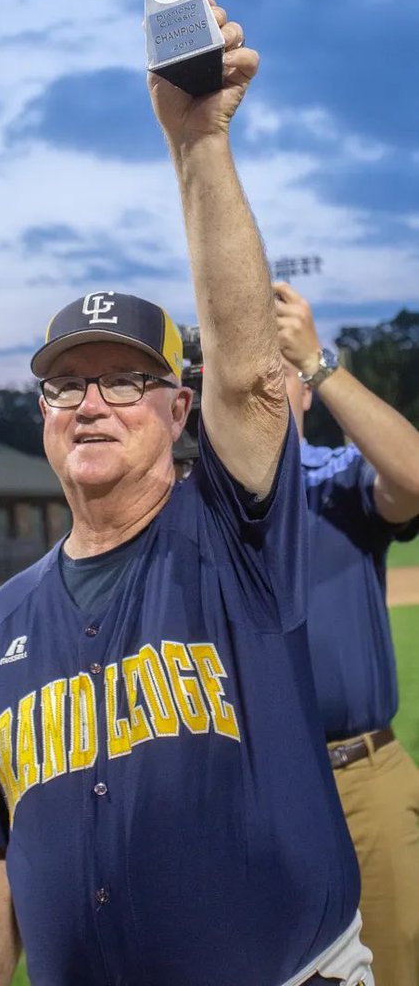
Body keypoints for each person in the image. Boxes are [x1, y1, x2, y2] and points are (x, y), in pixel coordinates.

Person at [0, 0, 373, 986]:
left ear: (177, 412)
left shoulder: (237, 533)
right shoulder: (2, 622)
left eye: (124, 381)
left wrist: (199, 145)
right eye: (65, 384)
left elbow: (250, 375)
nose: (90, 403)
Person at [276, 278, 419, 986]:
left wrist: (318, 361)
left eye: (279, 370)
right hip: (256, 793)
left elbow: (416, 474)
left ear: (303, 391)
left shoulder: (338, 479)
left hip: (361, 775)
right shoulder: (193, 512)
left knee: (395, 966)